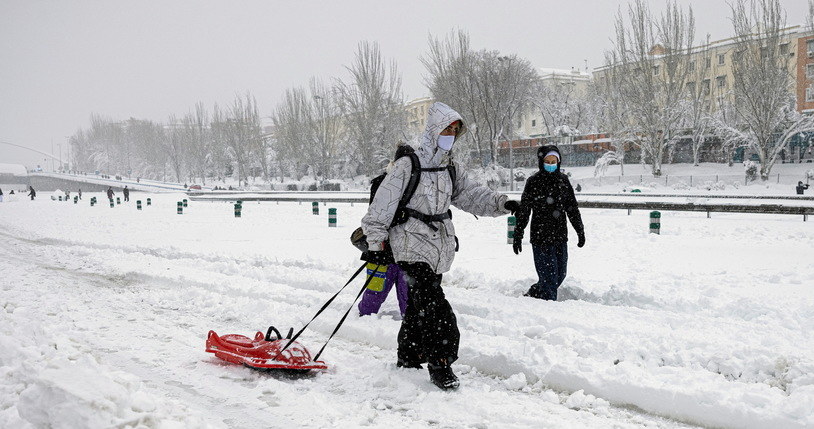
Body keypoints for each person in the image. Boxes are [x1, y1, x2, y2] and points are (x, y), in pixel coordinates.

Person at [362, 102, 520, 390]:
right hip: (409, 244)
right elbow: (380, 208)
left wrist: (502, 203)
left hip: (438, 246)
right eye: (447, 128)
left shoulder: (450, 167)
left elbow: (471, 195)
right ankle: (441, 362)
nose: (450, 133)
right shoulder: (407, 165)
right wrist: (375, 243)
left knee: (419, 304)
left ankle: (408, 356)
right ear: (434, 130)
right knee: (435, 306)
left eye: (455, 130)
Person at [512, 145, 585, 301]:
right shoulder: (533, 182)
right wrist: (518, 233)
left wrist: (580, 230)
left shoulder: (563, 181)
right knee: (549, 279)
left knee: (560, 275)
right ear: (541, 161)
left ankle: (535, 293)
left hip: (560, 236)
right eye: (548, 161)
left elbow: (572, 208)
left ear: (559, 162)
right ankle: (549, 310)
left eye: (554, 161)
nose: (551, 164)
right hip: (540, 237)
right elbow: (525, 210)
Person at [358, 146, 413, 318]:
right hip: (382, 248)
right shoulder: (381, 183)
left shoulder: (416, 186)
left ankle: (411, 324)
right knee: (375, 292)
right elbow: (376, 215)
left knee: (409, 297)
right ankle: (363, 320)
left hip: (406, 250)